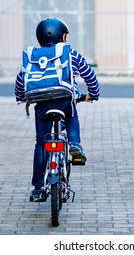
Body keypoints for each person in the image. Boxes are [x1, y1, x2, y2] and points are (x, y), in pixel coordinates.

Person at [15, 17, 100, 202]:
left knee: (40, 144)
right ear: (62, 37)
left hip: (42, 106)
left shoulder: (33, 57)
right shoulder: (71, 54)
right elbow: (89, 75)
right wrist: (93, 94)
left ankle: (37, 188)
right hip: (64, 101)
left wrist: (22, 98)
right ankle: (75, 145)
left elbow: (21, 81)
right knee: (71, 115)